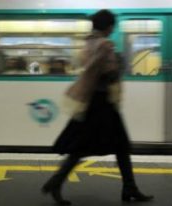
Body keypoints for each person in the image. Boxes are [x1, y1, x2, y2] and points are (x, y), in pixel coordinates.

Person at [41, 10, 154, 205]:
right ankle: (56, 182)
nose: (113, 29)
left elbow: (88, 67)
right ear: (108, 26)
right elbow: (109, 73)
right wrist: (119, 65)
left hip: (92, 101)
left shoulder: (88, 43)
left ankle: (129, 187)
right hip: (102, 103)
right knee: (113, 145)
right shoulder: (105, 45)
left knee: (107, 146)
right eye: (112, 25)